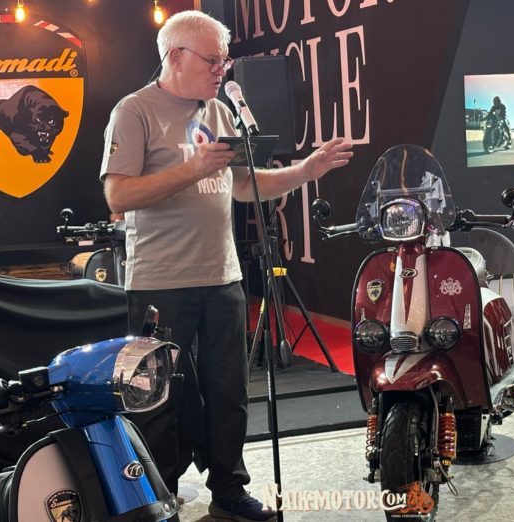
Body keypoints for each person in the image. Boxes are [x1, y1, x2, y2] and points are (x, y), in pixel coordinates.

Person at [99, 10, 353, 521]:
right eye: (213, 60)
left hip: (223, 277)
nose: (222, 70)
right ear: (176, 57)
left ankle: (229, 491)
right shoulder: (135, 110)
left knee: (229, 392)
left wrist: (306, 170)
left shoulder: (218, 111)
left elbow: (243, 185)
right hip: (160, 282)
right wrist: (193, 168)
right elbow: (118, 195)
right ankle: (159, 496)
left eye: (225, 61)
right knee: (160, 396)